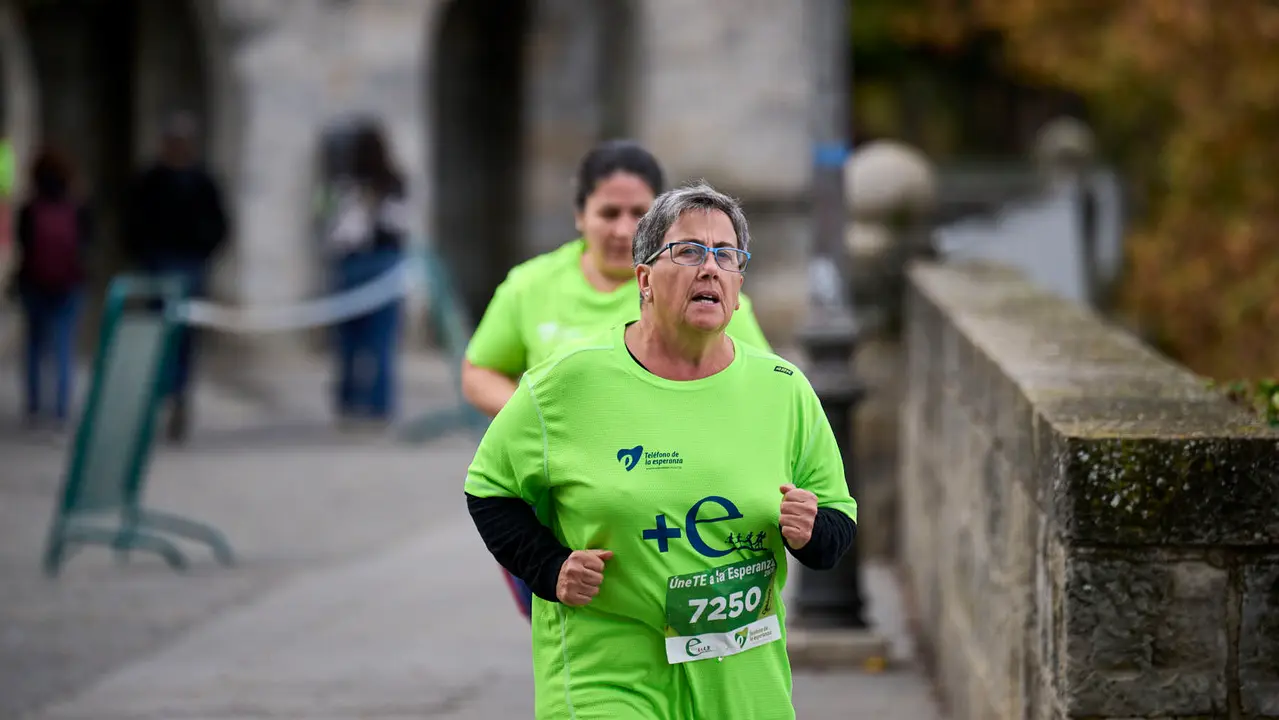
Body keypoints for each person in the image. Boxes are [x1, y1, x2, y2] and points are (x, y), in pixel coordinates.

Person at [464, 182, 858, 719]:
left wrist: (813, 531)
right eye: (690, 251)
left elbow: (837, 518)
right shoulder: (567, 383)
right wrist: (548, 567)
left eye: (727, 255)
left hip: (741, 678)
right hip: (610, 673)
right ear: (645, 278)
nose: (710, 268)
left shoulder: (783, 388)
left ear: (739, 284)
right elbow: (490, 487)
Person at [461, 140, 773, 619]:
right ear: (580, 214)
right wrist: (545, 425)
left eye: (638, 213)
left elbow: (756, 384)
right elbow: (478, 371)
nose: (623, 228)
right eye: (609, 212)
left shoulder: (696, 289)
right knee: (561, 608)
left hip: (670, 500)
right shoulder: (532, 284)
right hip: (553, 500)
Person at [124, 112, 229, 442]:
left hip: (188, 263)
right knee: (161, 333)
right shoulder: (152, 180)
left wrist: (203, 250)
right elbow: (135, 221)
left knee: (182, 337)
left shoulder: (201, 181)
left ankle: (177, 394)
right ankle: (162, 394)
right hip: (160, 262)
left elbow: (219, 224)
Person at [322, 121, 409, 428]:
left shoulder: (385, 184)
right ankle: (371, 405)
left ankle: (361, 404)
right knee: (369, 340)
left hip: (370, 261)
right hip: (372, 261)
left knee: (364, 340)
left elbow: (341, 230)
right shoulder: (351, 185)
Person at [13, 147, 92, 429]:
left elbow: (23, 245)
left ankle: (34, 407)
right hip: (69, 283)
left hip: (34, 283)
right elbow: (85, 244)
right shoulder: (77, 207)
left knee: (34, 345)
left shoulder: (29, 208)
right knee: (63, 344)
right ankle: (60, 408)